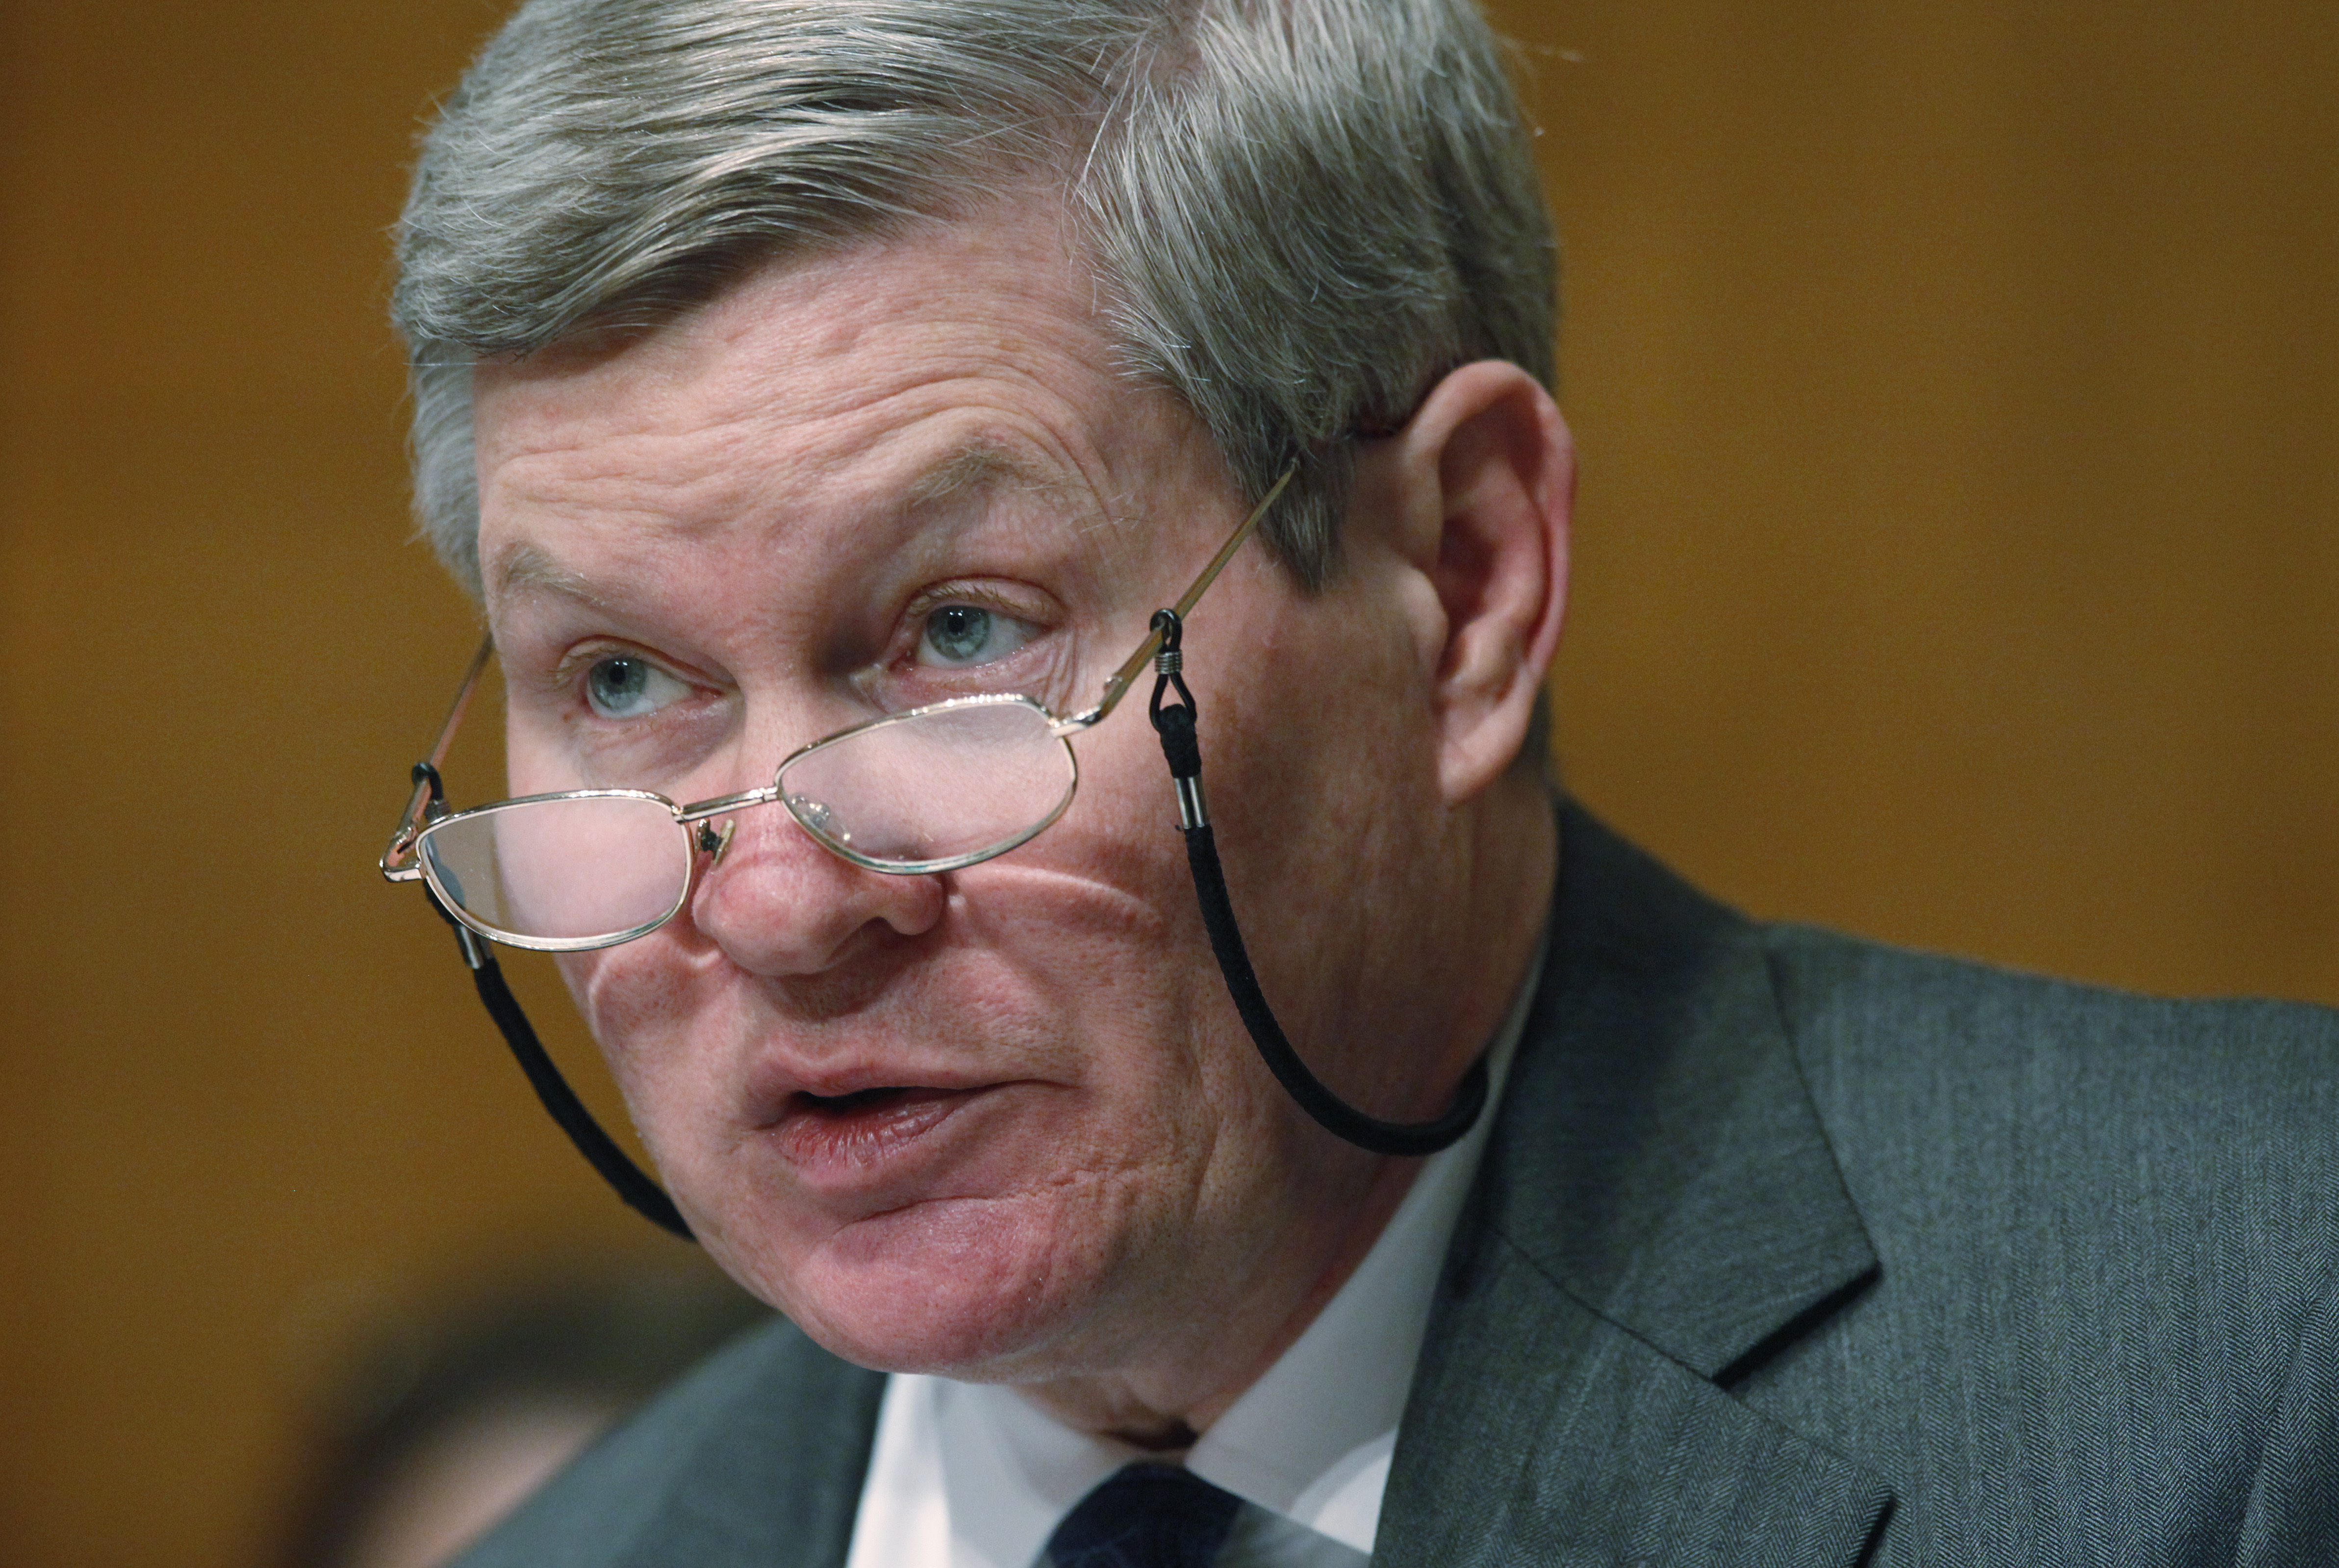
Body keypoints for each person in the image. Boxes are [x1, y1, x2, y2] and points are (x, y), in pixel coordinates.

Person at [375, 0, 2339, 1562]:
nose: (787, 906)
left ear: (1462, 582)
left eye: (962, 630)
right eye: (622, 676)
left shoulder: (2252, 1338)